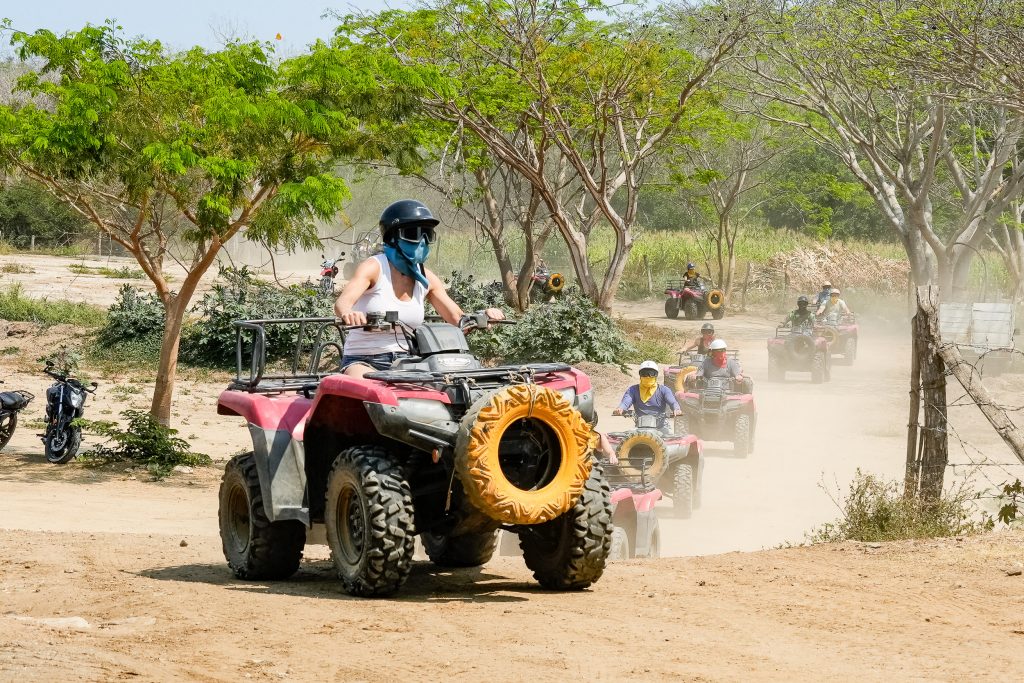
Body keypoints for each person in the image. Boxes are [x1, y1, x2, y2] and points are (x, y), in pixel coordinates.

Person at [335, 199, 504, 377]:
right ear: (392, 238)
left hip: (408, 362)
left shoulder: (427, 279)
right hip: (363, 360)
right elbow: (342, 303)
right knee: (375, 392)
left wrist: (484, 315)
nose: (422, 241)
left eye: (427, 234)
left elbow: (457, 319)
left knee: (449, 389)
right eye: (413, 233)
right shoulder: (374, 267)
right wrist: (348, 313)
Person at [612, 360, 682, 433]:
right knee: (626, 440)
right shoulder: (633, 390)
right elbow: (626, 402)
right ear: (640, 375)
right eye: (644, 373)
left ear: (656, 375)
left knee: (671, 443)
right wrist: (620, 408)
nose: (648, 376)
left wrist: (676, 409)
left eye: (651, 373)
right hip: (639, 428)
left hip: (661, 427)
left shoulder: (664, 390)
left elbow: (673, 402)